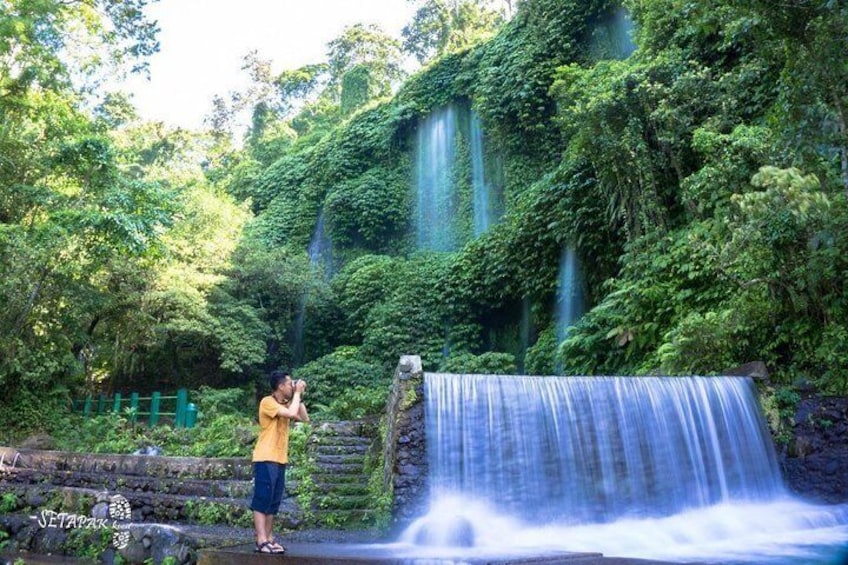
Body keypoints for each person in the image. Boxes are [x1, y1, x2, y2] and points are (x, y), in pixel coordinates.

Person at [250, 369, 309, 554]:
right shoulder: (267, 402)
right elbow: (291, 415)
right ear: (281, 386)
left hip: (279, 458)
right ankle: (260, 541)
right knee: (262, 499)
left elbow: (304, 418)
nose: (292, 386)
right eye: (290, 383)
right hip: (265, 457)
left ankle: (269, 538)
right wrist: (297, 394)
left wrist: (298, 397)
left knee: (273, 501)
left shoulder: (285, 404)